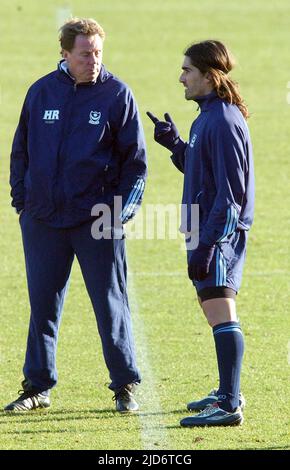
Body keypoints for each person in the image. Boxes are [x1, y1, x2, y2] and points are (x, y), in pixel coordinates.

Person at [6, 18, 147, 413]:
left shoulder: (117, 95)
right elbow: (21, 151)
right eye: (85, 54)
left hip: (97, 220)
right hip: (43, 220)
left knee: (110, 302)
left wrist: (121, 211)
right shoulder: (41, 92)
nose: (93, 60)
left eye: (98, 52)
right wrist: (22, 201)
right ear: (65, 54)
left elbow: (135, 163)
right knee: (42, 305)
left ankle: (125, 385)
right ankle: (36, 386)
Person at [147, 40, 254, 427]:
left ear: (209, 75)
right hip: (205, 231)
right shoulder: (208, 116)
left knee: (221, 312)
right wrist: (175, 145)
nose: (181, 78)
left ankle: (228, 404)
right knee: (213, 311)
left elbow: (231, 194)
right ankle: (230, 389)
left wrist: (208, 245)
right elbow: (202, 171)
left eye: (187, 71)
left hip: (218, 235)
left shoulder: (223, 120)